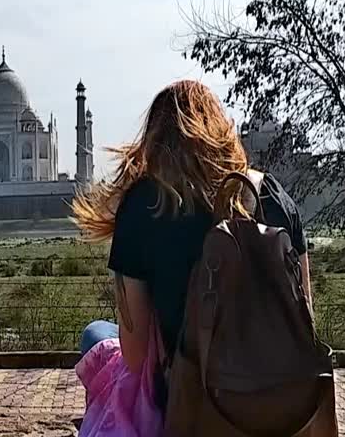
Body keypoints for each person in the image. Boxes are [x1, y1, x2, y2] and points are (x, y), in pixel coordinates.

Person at [71, 80, 312, 433]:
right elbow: (306, 318)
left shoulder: (145, 205)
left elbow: (135, 356)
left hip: (192, 398)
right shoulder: (273, 195)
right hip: (280, 397)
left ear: (155, 140)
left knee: (95, 333)